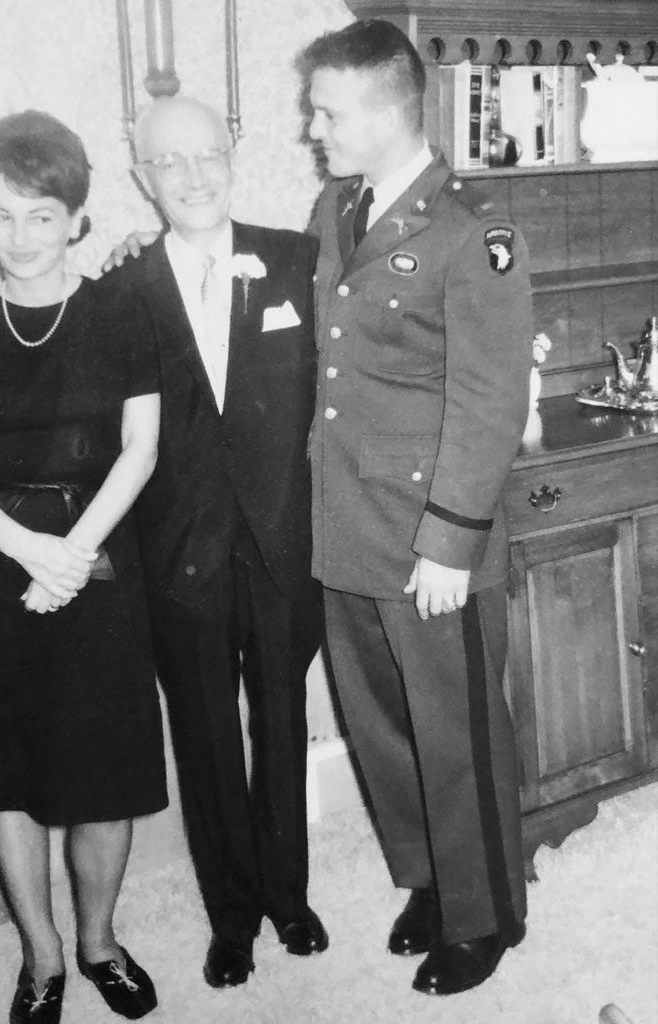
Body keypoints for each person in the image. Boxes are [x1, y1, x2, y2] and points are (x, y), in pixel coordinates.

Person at [0, 110, 166, 1024]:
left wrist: (75, 549)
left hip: (97, 556)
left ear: (76, 219)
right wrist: (31, 551)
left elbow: (140, 449)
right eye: (1, 214)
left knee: (105, 771)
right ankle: (42, 956)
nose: (20, 236)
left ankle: (99, 942)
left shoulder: (124, 315)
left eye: (40, 215)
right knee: (6, 773)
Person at [298, 19, 533, 996]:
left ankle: (487, 916)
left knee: (456, 727)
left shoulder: (472, 229)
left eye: (328, 111)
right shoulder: (334, 205)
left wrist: (452, 543)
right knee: (382, 723)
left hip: (432, 530)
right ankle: (430, 879)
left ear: (391, 111)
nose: (314, 128)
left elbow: (488, 398)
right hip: (347, 515)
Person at [102, 95, 328, 989]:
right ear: (142, 179)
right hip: (180, 557)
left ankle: (290, 897)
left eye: (207, 156)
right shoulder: (118, 292)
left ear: (233, 154)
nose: (193, 177)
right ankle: (231, 920)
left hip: (281, 543)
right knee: (204, 740)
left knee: (283, 723)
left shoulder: (299, 261)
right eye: (170, 163)